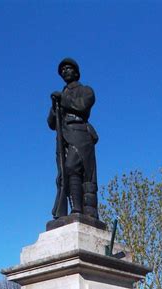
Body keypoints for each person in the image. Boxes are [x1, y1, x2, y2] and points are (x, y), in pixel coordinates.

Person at [48, 58, 99, 219]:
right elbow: (50, 123)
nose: (65, 71)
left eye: (68, 68)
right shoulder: (61, 96)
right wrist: (54, 107)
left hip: (79, 133)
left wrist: (62, 100)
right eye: (62, 70)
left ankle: (78, 210)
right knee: (66, 174)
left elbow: (83, 106)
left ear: (76, 72)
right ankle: (74, 209)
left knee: (72, 167)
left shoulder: (86, 90)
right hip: (64, 136)